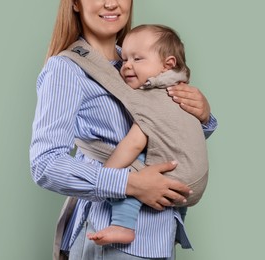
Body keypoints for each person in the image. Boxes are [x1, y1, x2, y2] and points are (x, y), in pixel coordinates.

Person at [29, 0, 218, 259]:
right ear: (74, 3)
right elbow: (45, 164)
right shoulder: (67, 69)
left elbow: (165, 139)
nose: (111, 3)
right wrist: (130, 184)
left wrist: (203, 116)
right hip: (110, 238)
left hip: (161, 234)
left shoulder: (144, 58)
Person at [86, 24, 209, 246]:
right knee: (163, 152)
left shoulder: (151, 98)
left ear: (167, 65)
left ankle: (123, 226)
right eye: (124, 60)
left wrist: (108, 175)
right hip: (193, 182)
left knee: (134, 166)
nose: (127, 66)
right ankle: (175, 220)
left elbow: (133, 143)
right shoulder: (180, 89)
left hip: (178, 179)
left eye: (137, 59)